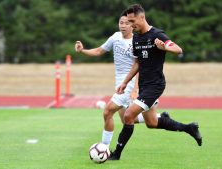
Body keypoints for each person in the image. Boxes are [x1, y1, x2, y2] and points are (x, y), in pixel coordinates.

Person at [109, 4, 202, 160]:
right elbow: (138, 62)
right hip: (145, 85)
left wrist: (165, 47)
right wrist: (125, 82)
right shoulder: (137, 37)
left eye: (132, 21)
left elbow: (178, 49)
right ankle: (189, 128)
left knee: (129, 115)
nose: (131, 25)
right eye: (128, 22)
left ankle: (116, 154)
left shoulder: (157, 35)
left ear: (142, 17)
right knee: (151, 123)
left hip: (155, 86)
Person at [75, 10, 166, 147]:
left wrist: (135, 88)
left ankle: (104, 147)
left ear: (132, 25)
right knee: (127, 119)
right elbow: (99, 51)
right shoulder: (115, 37)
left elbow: (140, 66)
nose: (123, 25)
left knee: (107, 111)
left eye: (127, 23)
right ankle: (161, 118)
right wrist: (82, 50)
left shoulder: (137, 40)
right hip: (120, 83)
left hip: (129, 83)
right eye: (121, 22)